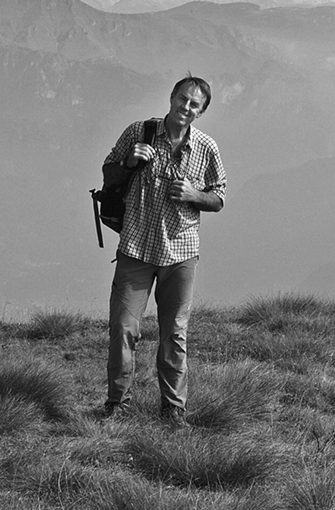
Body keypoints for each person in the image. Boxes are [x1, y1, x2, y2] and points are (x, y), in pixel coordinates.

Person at [100, 74, 226, 427]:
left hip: (181, 251)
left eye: (194, 104)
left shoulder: (207, 148)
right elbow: (108, 175)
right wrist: (128, 163)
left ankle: (173, 409)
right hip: (136, 245)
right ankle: (117, 404)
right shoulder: (138, 132)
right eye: (182, 99)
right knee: (123, 328)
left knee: (175, 333)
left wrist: (194, 195)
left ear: (201, 112)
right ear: (171, 97)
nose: (186, 107)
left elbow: (218, 198)